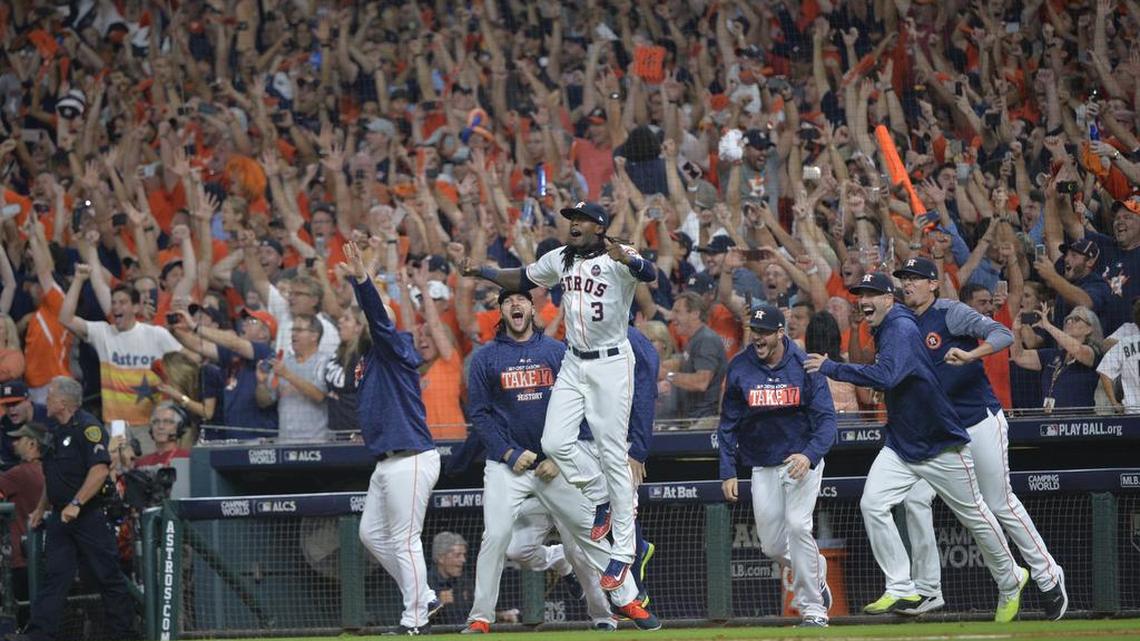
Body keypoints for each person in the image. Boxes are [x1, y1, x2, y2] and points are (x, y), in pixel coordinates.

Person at [805, 273, 1028, 622]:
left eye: (873, 294)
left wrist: (832, 366)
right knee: (873, 503)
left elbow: (888, 376)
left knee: (976, 516)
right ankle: (899, 585)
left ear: (890, 299)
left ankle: (1011, 576)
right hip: (903, 441)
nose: (865, 300)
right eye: (861, 294)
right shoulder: (882, 326)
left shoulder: (901, 328)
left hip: (940, 440)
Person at [461, 201, 657, 591]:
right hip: (574, 359)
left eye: (581, 219)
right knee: (555, 441)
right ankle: (599, 497)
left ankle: (623, 554)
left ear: (598, 227)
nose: (573, 224)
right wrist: (481, 270)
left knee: (612, 452)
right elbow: (520, 278)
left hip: (611, 363)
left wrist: (630, 260)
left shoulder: (619, 254)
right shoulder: (561, 258)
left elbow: (649, 272)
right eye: (571, 219)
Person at [461, 289, 659, 633]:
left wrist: (558, 454)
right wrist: (508, 453)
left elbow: (580, 406)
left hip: (555, 465)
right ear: (501, 310)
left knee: (588, 532)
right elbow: (479, 415)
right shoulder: (485, 358)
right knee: (496, 536)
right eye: (508, 301)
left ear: (532, 307)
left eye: (521, 299)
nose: (515, 305)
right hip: (508, 465)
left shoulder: (558, 352)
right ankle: (480, 617)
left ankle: (626, 599)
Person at [893, 257, 1067, 619]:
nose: (907, 284)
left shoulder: (950, 312)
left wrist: (972, 354)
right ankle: (929, 589)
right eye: (903, 278)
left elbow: (1002, 335)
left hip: (978, 420)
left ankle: (1049, 576)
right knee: (915, 498)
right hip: (942, 431)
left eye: (914, 278)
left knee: (999, 502)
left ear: (933, 284)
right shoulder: (901, 321)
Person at [342, 242, 441, 635]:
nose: (371, 319)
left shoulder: (395, 345)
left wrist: (364, 280)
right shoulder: (365, 360)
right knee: (372, 535)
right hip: (386, 461)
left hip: (412, 456)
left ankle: (413, 619)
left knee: (404, 539)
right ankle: (425, 596)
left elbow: (380, 320)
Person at [719, 304, 837, 628]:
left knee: (799, 526)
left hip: (800, 459)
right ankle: (816, 571)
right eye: (754, 331)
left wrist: (809, 455)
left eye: (765, 332)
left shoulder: (804, 365)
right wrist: (728, 470)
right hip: (761, 461)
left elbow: (827, 421)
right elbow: (727, 424)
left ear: (780, 333)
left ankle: (813, 609)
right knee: (771, 545)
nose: (757, 337)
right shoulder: (740, 367)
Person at [11, 377, 134, 641]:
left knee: (107, 576)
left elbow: (100, 470)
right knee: (55, 576)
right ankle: (40, 634)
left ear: (64, 402)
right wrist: (40, 508)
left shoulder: (88, 428)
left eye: (51, 395)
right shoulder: (57, 431)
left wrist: (77, 504)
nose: (47, 399)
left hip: (88, 516)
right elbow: (54, 476)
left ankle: (124, 634)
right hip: (61, 517)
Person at [59, 272, 185, 426]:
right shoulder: (103, 333)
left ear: (136, 307)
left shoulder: (157, 335)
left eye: (122, 302)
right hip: (114, 427)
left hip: (150, 426)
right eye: (113, 302)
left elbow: (185, 368)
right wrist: (78, 279)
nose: (116, 307)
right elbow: (65, 318)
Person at [173, 308, 279, 440]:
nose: (244, 323)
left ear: (264, 334)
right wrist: (174, 329)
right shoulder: (235, 355)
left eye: (252, 321)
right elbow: (198, 346)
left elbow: (235, 343)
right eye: (244, 320)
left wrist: (195, 327)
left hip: (260, 439)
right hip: (235, 439)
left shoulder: (265, 352)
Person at [1011, 305, 1105, 411]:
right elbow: (1018, 356)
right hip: (1051, 420)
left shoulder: (1094, 352)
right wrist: (1015, 331)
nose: (1069, 322)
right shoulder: (1053, 355)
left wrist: (1047, 326)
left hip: (1079, 421)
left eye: (1077, 319)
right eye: (1068, 319)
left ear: (1089, 329)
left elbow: (1078, 350)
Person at [259, 314, 331, 443]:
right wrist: (262, 383)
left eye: (299, 330)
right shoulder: (283, 363)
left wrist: (287, 375)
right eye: (293, 330)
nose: (293, 334)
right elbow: (265, 401)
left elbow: (319, 395)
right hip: (285, 442)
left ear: (314, 336)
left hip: (315, 442)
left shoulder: (324, 361)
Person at [0, 422, 46, 604]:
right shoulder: (48, 470)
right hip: (45, 557)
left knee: (20, 613)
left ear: (32, 444)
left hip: (21, 559)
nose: (13, 443)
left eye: (19, 439)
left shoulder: (20, 473)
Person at [668, 292, 728, 423]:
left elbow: (701, 382)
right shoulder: (695, 340)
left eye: (677, 312)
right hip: (692, 418)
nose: (672, 317)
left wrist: (669, 376)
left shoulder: (706, 340)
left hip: (703, 421)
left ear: (695, 313)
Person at [1098, 299, 1140, 413]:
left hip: (1133, 411)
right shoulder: (1126, 335)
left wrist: (1114, 403)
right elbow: (1104, 345)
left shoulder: (1125, 343)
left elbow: (1104, 372)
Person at [0, 382, 47, 469]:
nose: (11, 409)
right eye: (6, 405)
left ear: (28, 400)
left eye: (15, 403)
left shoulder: (48, 416)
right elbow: (7, 462)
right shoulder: (4, 424)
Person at [134, 402, 191, 471]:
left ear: (179, 427)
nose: (161, 426)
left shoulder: (188, 459)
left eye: (167, 422)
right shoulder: (141, 463)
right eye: (156, 421)